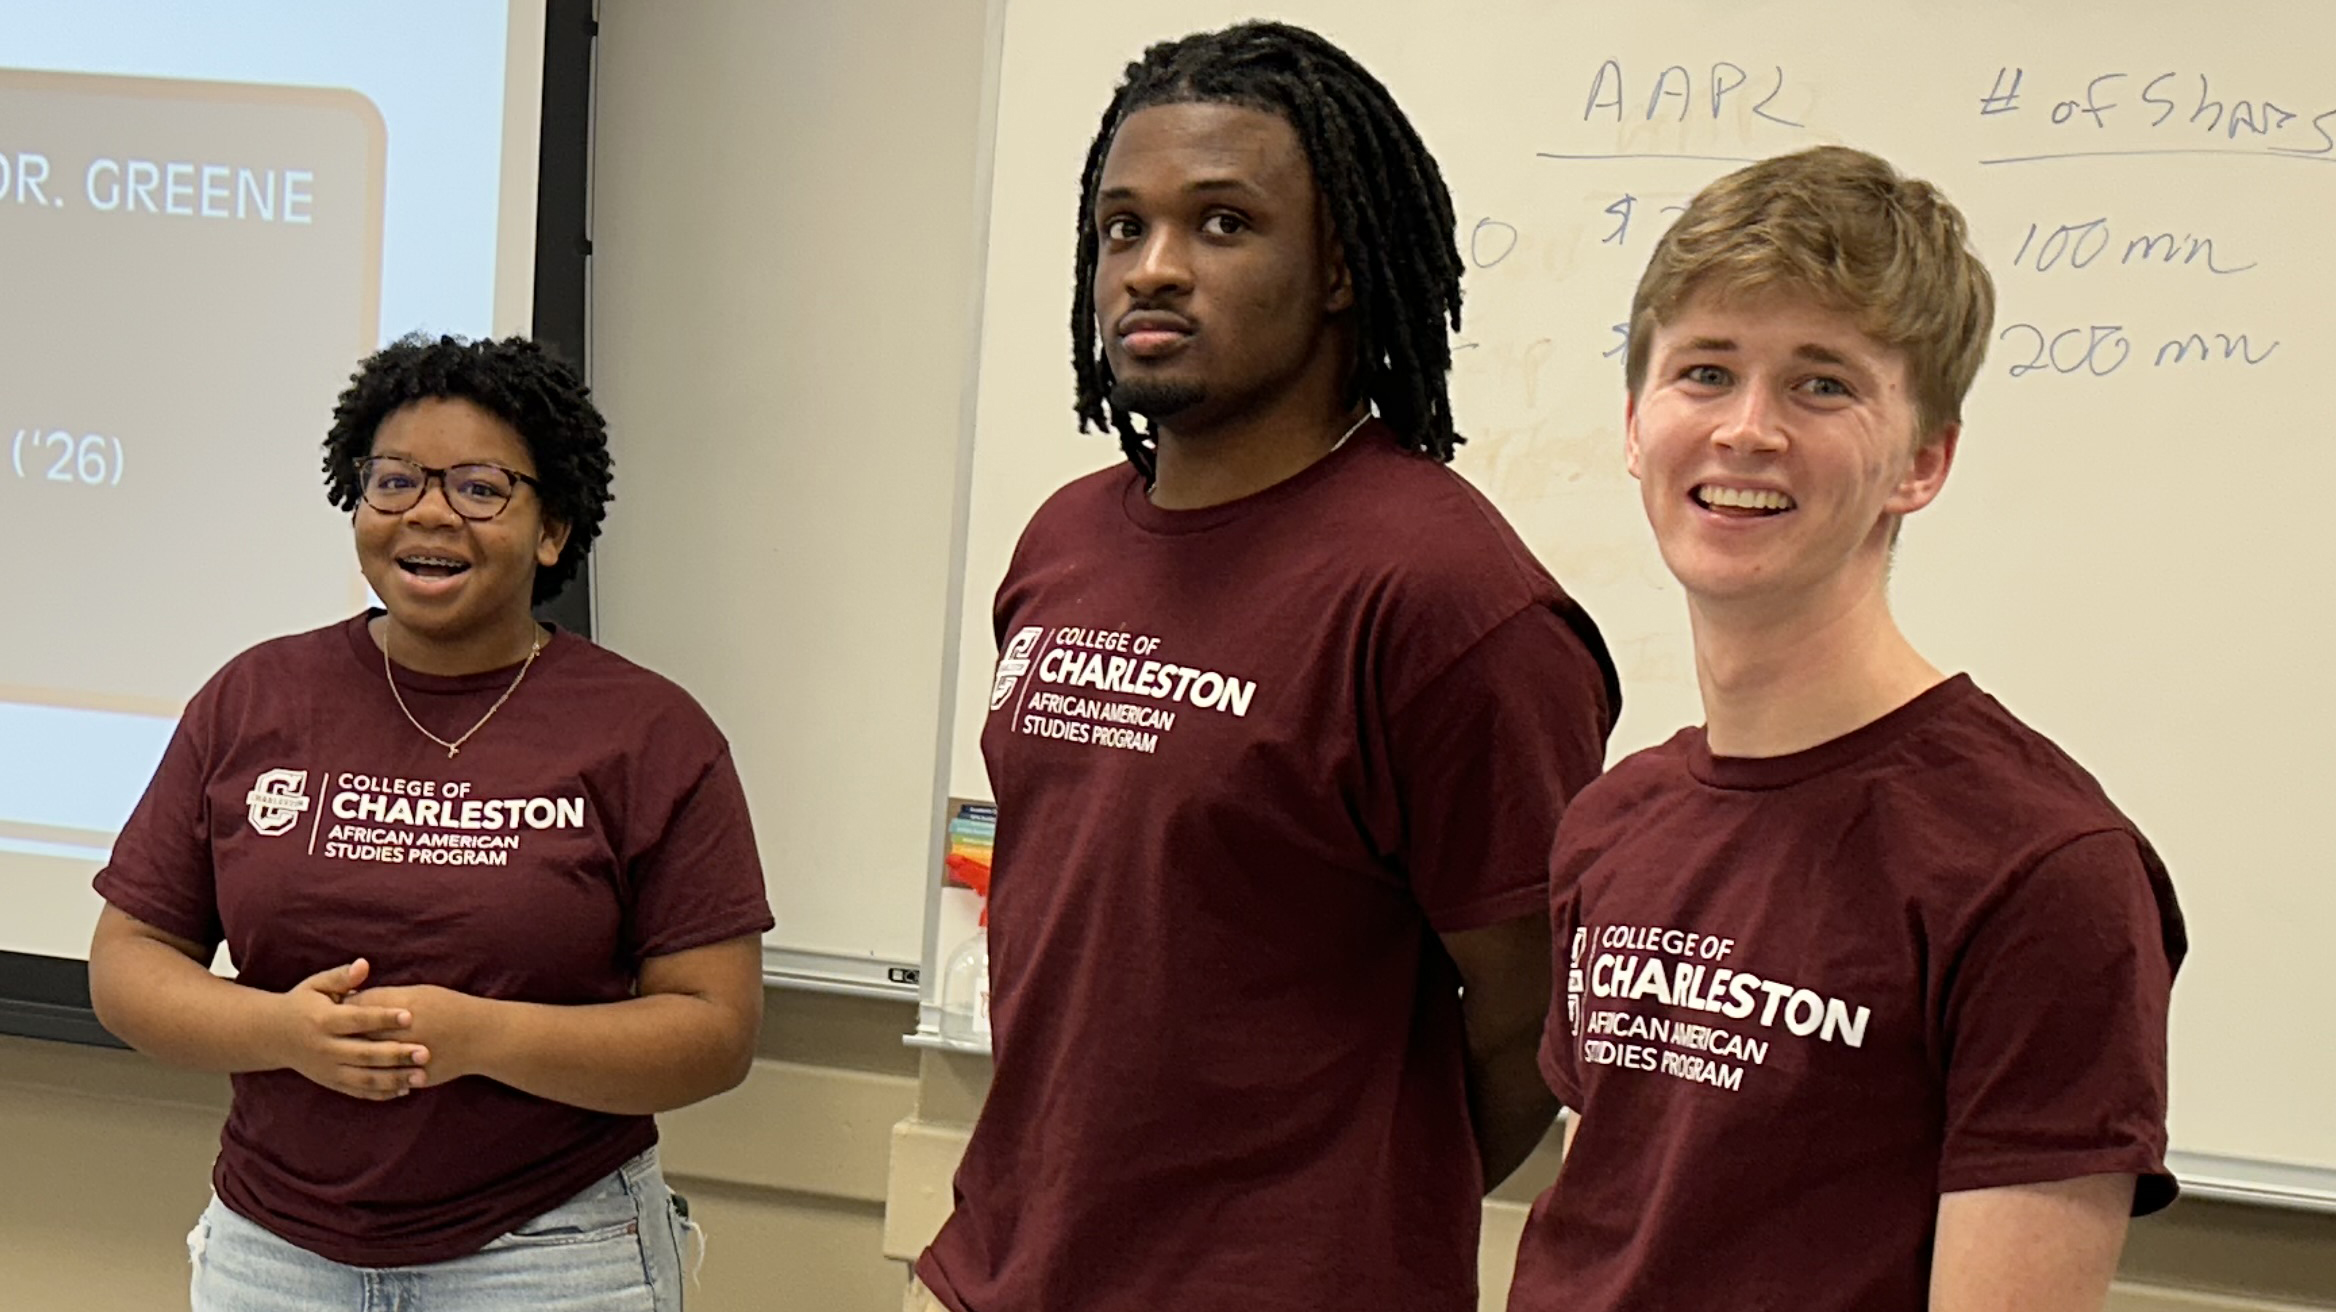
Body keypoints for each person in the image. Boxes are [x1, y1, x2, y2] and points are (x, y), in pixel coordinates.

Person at [915, 21, 1620, 1312]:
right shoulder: (1063, 540)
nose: (1153, 269)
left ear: (1342, 267)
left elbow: (1533, 1026)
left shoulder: (1449, 598)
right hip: (995, 1274)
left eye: (1223, 224)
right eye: (1122, 229)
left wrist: (1325, 1206)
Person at [1506, 146, 2187, 1311]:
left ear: (1920, 461)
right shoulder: (1613, 825)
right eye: (1704, 372)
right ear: (1632, 425)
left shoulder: (2040, 870)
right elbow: (1610, 1228)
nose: (1745, 430)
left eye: (1821, 385)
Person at [87, 334, 774, 1311]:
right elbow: (128, 963)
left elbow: (714, 1029)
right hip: (273, 1248)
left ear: (553, 529)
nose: (430, 513)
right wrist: (286, 1030)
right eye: (396, 480)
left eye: (482, 488)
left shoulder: (649, 731)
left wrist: (479, 1037)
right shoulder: (254, 697)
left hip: (550, 1247)